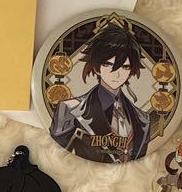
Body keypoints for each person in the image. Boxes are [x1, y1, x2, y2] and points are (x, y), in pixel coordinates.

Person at [50, 22, 155, 162]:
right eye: (108, 65)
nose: (117, 74)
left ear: (131, 71)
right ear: (97, 67)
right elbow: (58, 153)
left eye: (125, 67)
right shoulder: (69, 109)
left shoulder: (143, 120)